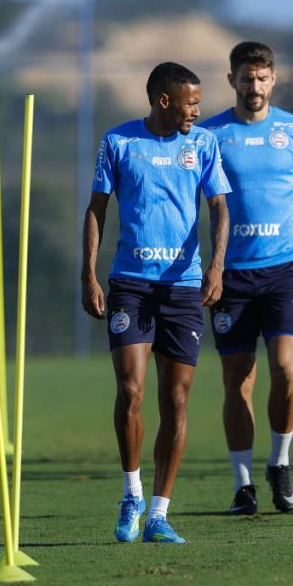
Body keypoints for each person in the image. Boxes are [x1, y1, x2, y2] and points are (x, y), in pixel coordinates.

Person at [82, 62, 230, 544]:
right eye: (191, 103)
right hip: (131, 283)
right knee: (131, 391)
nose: (197, 111)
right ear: (164, 101)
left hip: (185, 287)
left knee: (178, 398)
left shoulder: (203, 144)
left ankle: (160, 514)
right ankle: (131, 493)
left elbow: (220, 207)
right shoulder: (118, 142)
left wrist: (217, 267)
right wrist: (89, 272)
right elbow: (97, 209)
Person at [201, 41, 293, 515]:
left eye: (262, 78)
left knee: (286, 370)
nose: (254, 86)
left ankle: (279, 463)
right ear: (231, 79)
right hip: (230, 277)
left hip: (283, 272)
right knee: (237, 382)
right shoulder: (209, 133)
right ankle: (243, 485)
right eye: (245, 78)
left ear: (273, 79)